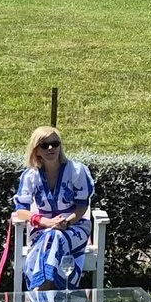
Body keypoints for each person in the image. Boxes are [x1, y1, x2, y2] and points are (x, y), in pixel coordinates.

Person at [14, 125, 97, 291]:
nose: (51, 148)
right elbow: (20, 211)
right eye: (45, 145)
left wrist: (65, 222)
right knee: (52, 236)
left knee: (56, 236)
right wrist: (45, 222)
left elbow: (82, 206)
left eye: (55, 143)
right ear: (36, 150)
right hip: (42, 230)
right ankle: (53, 292)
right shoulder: (30, 176)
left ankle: (40, 293)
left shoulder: (77, 171)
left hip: (75, 227)